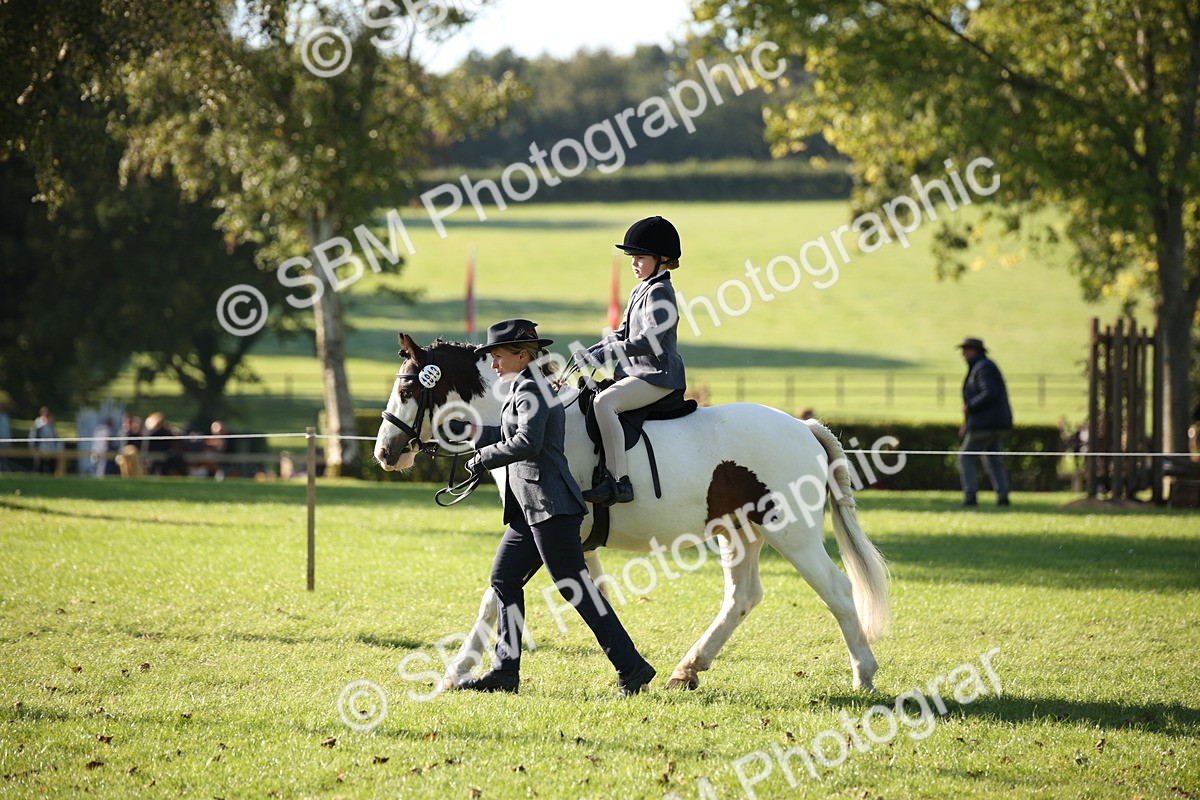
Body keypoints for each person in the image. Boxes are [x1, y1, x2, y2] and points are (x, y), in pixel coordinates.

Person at [451, 318, 656, 697]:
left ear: (522, 355)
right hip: (529, 510)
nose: (493, 364)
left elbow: (527, 443)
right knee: (504, 579)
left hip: (550, 506)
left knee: (575, 588)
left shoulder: (533, 388)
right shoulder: (524, 387)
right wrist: (475, 433)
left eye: (498, 356)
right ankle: (505, 671)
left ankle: (632, 666)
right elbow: (514, 434)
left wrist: (483, 458)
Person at [576, 216, 687, 506]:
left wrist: (605, 354)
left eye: (640, 257)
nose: (633, 263)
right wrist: (594, 349)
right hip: (637, 374)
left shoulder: (661, 292)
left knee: (605, 403)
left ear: (663, 259)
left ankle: (618, 481)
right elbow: (623, 333)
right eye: (632, 258)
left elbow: (650, 340)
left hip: (657, 375)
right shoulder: (642, 289)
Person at [956, 337, 1013, 507]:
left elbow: (989, 392)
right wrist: (967, 423)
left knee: (965, 457)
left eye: (967, 350)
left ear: (975, 351)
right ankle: (1002, 496)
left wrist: (970, 406)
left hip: (985, 424)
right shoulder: (984, 366)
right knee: (993, 459)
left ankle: (970, 496)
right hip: (996, 423)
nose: (963, 354)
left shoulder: (983, 367)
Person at [28, 406, 62, 474]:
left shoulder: (51, 427)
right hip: (41, 452)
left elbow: (54, 439)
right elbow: (33, 439)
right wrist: (35, 450)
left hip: (51, 452)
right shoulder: (38, 426)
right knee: (39, 470)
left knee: (51, 470)